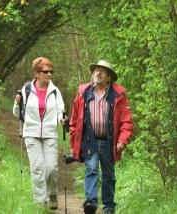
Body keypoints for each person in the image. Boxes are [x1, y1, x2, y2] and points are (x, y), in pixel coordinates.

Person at [68, 59, 134, 214]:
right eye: (96, 70)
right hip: (89, 140)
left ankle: (109, 206)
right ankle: (90, 203)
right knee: (91, 169)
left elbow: (127, 121)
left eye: (102, 71)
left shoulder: (118, 95)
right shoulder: (83, 92)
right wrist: (74, 136)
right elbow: (75, 117)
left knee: (109, 175)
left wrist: (123, 139)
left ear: (108, 77)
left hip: (108, 142)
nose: (98, 73)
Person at [13, 57, 66, 210]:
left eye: (51, 71)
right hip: (31, 133)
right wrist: (17, 102)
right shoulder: (26, 89)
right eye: (45, 71)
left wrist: (62, 119)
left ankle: (52, 194)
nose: (49, 74)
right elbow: (17, 114)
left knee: (50, 168)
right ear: (36, 73)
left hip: (50, 134)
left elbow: (60, 112)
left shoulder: (55, 91)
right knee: (37, 168)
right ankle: (40, 202)